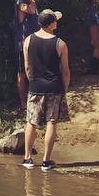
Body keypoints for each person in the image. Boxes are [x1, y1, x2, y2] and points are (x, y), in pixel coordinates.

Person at [22, 9, 71, 171]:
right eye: (55, 20)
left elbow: (27, 66)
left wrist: (33, 82)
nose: (57, 23)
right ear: (51, 24)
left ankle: (27, 158)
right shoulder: (60, 43)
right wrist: (64, 87)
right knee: (51, 122)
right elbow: (65, 70)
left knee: (31, 122)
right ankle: (46, 161)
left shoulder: (28, 40)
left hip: (35, 86)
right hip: (54, 87)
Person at [11, 0, 40, 107]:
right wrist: (32, 1)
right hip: (22, 43)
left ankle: (36, 98)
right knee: (22, 72)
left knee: (36, 69)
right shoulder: (21, 2)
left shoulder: (33, 5)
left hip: (34, 42)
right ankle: (23, 101)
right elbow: (30, 11)